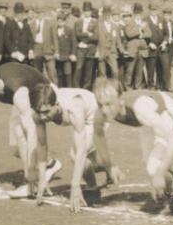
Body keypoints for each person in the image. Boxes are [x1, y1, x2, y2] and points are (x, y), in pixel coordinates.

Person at [0, 62, 63, 194]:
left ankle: (30, 185)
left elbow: (31, 131)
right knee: (17, 150)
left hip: (44, 95)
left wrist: (30, 171)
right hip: (23, 99)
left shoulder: (16, 88)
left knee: (20, 132)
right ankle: (50, 163)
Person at [29, 82, 118, 211]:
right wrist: (42, 178)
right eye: (39, 112)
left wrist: (75, 185)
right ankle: (108, 166)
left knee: (76, 154)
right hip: (83, 115)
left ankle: (93, 188)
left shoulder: (74, 109)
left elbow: (81, 150)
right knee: (88, 158)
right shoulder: (38, 114)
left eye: (46, 112)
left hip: (96, 116)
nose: (43, 116)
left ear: (56, 105)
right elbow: (42, 144)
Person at [92, 78, 173, 201]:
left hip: (168, 116)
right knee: (151, 162)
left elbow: (168, 136)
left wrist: (160, 172)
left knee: (153, 166)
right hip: (149, 123)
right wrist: (109, 166)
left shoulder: (141, 108)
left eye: (108, 104)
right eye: (100, 104)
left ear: (120, 101)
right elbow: (98, 136)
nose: (103, 109)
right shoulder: (100, 114)